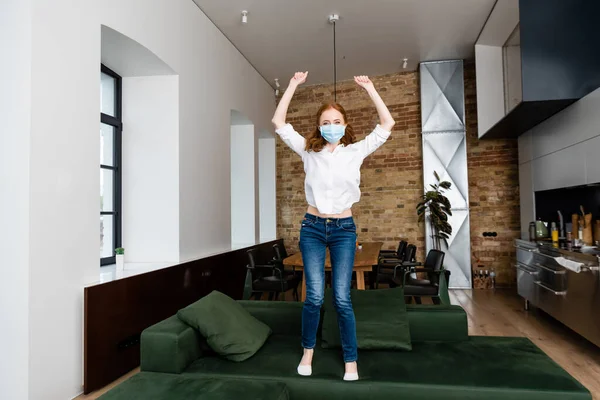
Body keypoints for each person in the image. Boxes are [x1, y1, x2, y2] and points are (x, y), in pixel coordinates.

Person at [271, 71, 395, 381]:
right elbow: (278, 122)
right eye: (325, 122)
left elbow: (387, 125)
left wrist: (371, 89)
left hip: (344, 229)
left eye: (335, 121)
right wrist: (292, 85)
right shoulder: (307, 151)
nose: (330, 127)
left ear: (344, 125)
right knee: (313, 296)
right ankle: (308, 351)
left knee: (341, 297)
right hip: (312, 227)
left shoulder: (356, 152)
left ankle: (350, 361)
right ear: (318, 126)